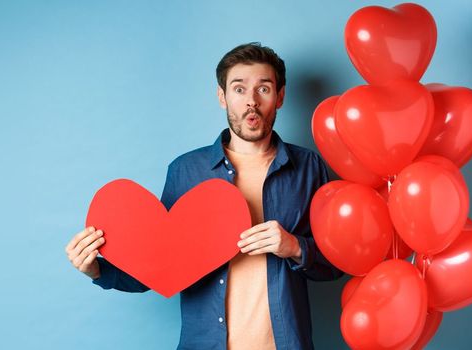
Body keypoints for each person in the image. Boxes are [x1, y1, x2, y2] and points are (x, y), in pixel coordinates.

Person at [64, 42, 344, 350]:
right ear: (222, 97)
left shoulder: (308, 167)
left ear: (280, 97)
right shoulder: (186, 171)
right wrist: (98, 270)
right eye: (239, 89)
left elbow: (334, 263)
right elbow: (156, 268)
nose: (251, 101)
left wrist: (294, 246)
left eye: (263, 89)